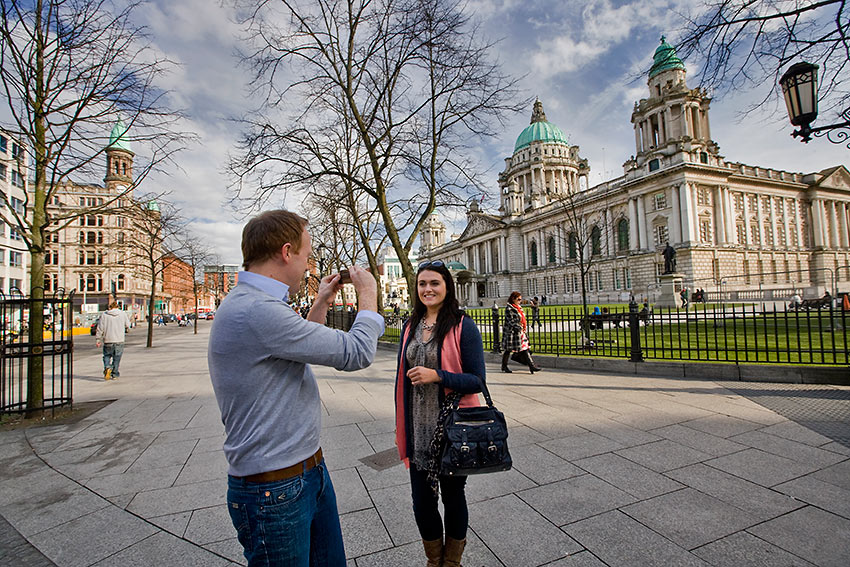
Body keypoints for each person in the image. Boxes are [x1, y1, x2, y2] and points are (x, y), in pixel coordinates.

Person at [208, 210, 384, 567]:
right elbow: (357, 352)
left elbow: (298, 348)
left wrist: (321, 302)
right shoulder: (257, 310)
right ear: (286, 252)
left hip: (302, 473)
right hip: (275, 490)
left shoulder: (257, 305)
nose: (308, 264)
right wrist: (369, 293)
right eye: (307, 254)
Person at [394, 260, 486, 567]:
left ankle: (452, 562)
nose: (428, 289)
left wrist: (438, 376)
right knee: (421, 503)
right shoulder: (410, 326)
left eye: (434, 283)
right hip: (418, 430)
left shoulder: (462, 325)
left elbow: (477, 380)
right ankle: (434, 560)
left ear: (447, 286)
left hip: (451, 430)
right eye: (422, 284)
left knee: (453, 497)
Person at [500, 291, 541, 373]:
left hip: (520, 332)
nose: (520, 301)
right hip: (512, 332)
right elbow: (511, 321)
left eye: (520, 299)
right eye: (518, 299)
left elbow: (522, 318)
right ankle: (504, 366)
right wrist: (519, 327)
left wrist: (523, 327)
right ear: (513, 299)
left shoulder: (518, 307)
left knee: (525, 348)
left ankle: (531, 366)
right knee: (508, 350)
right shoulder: (509, 309)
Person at [96, 301, 131, 380]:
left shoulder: (104, 315)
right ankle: (114, 374)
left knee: (107, 356)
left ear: (110, 307)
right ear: (118, 307)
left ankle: (107, 367)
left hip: (108, 339)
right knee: (117, 358)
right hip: (119, 339)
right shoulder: (122, 314)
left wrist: (98, 339)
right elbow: (128, 325)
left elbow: (100, 328)